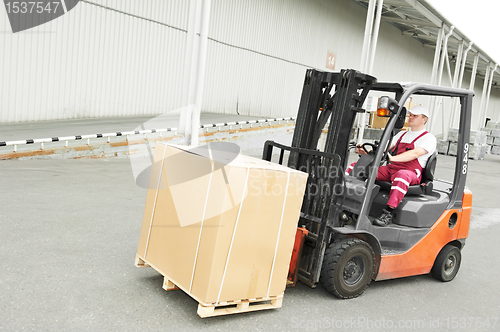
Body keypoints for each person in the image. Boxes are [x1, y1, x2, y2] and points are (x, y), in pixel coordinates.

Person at [349, 105, 437, 226]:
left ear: (424, 119)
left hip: (410, 172)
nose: (410, 118)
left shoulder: (429, 138)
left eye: (415, 116)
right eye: (410, 115)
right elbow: (384, 148)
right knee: (357, 166)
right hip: (392, 169)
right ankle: (347, 198)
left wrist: (392, 158)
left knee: (402, 176)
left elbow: (415, 153)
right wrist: (368, 151)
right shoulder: (401, 135)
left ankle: (388, 213)